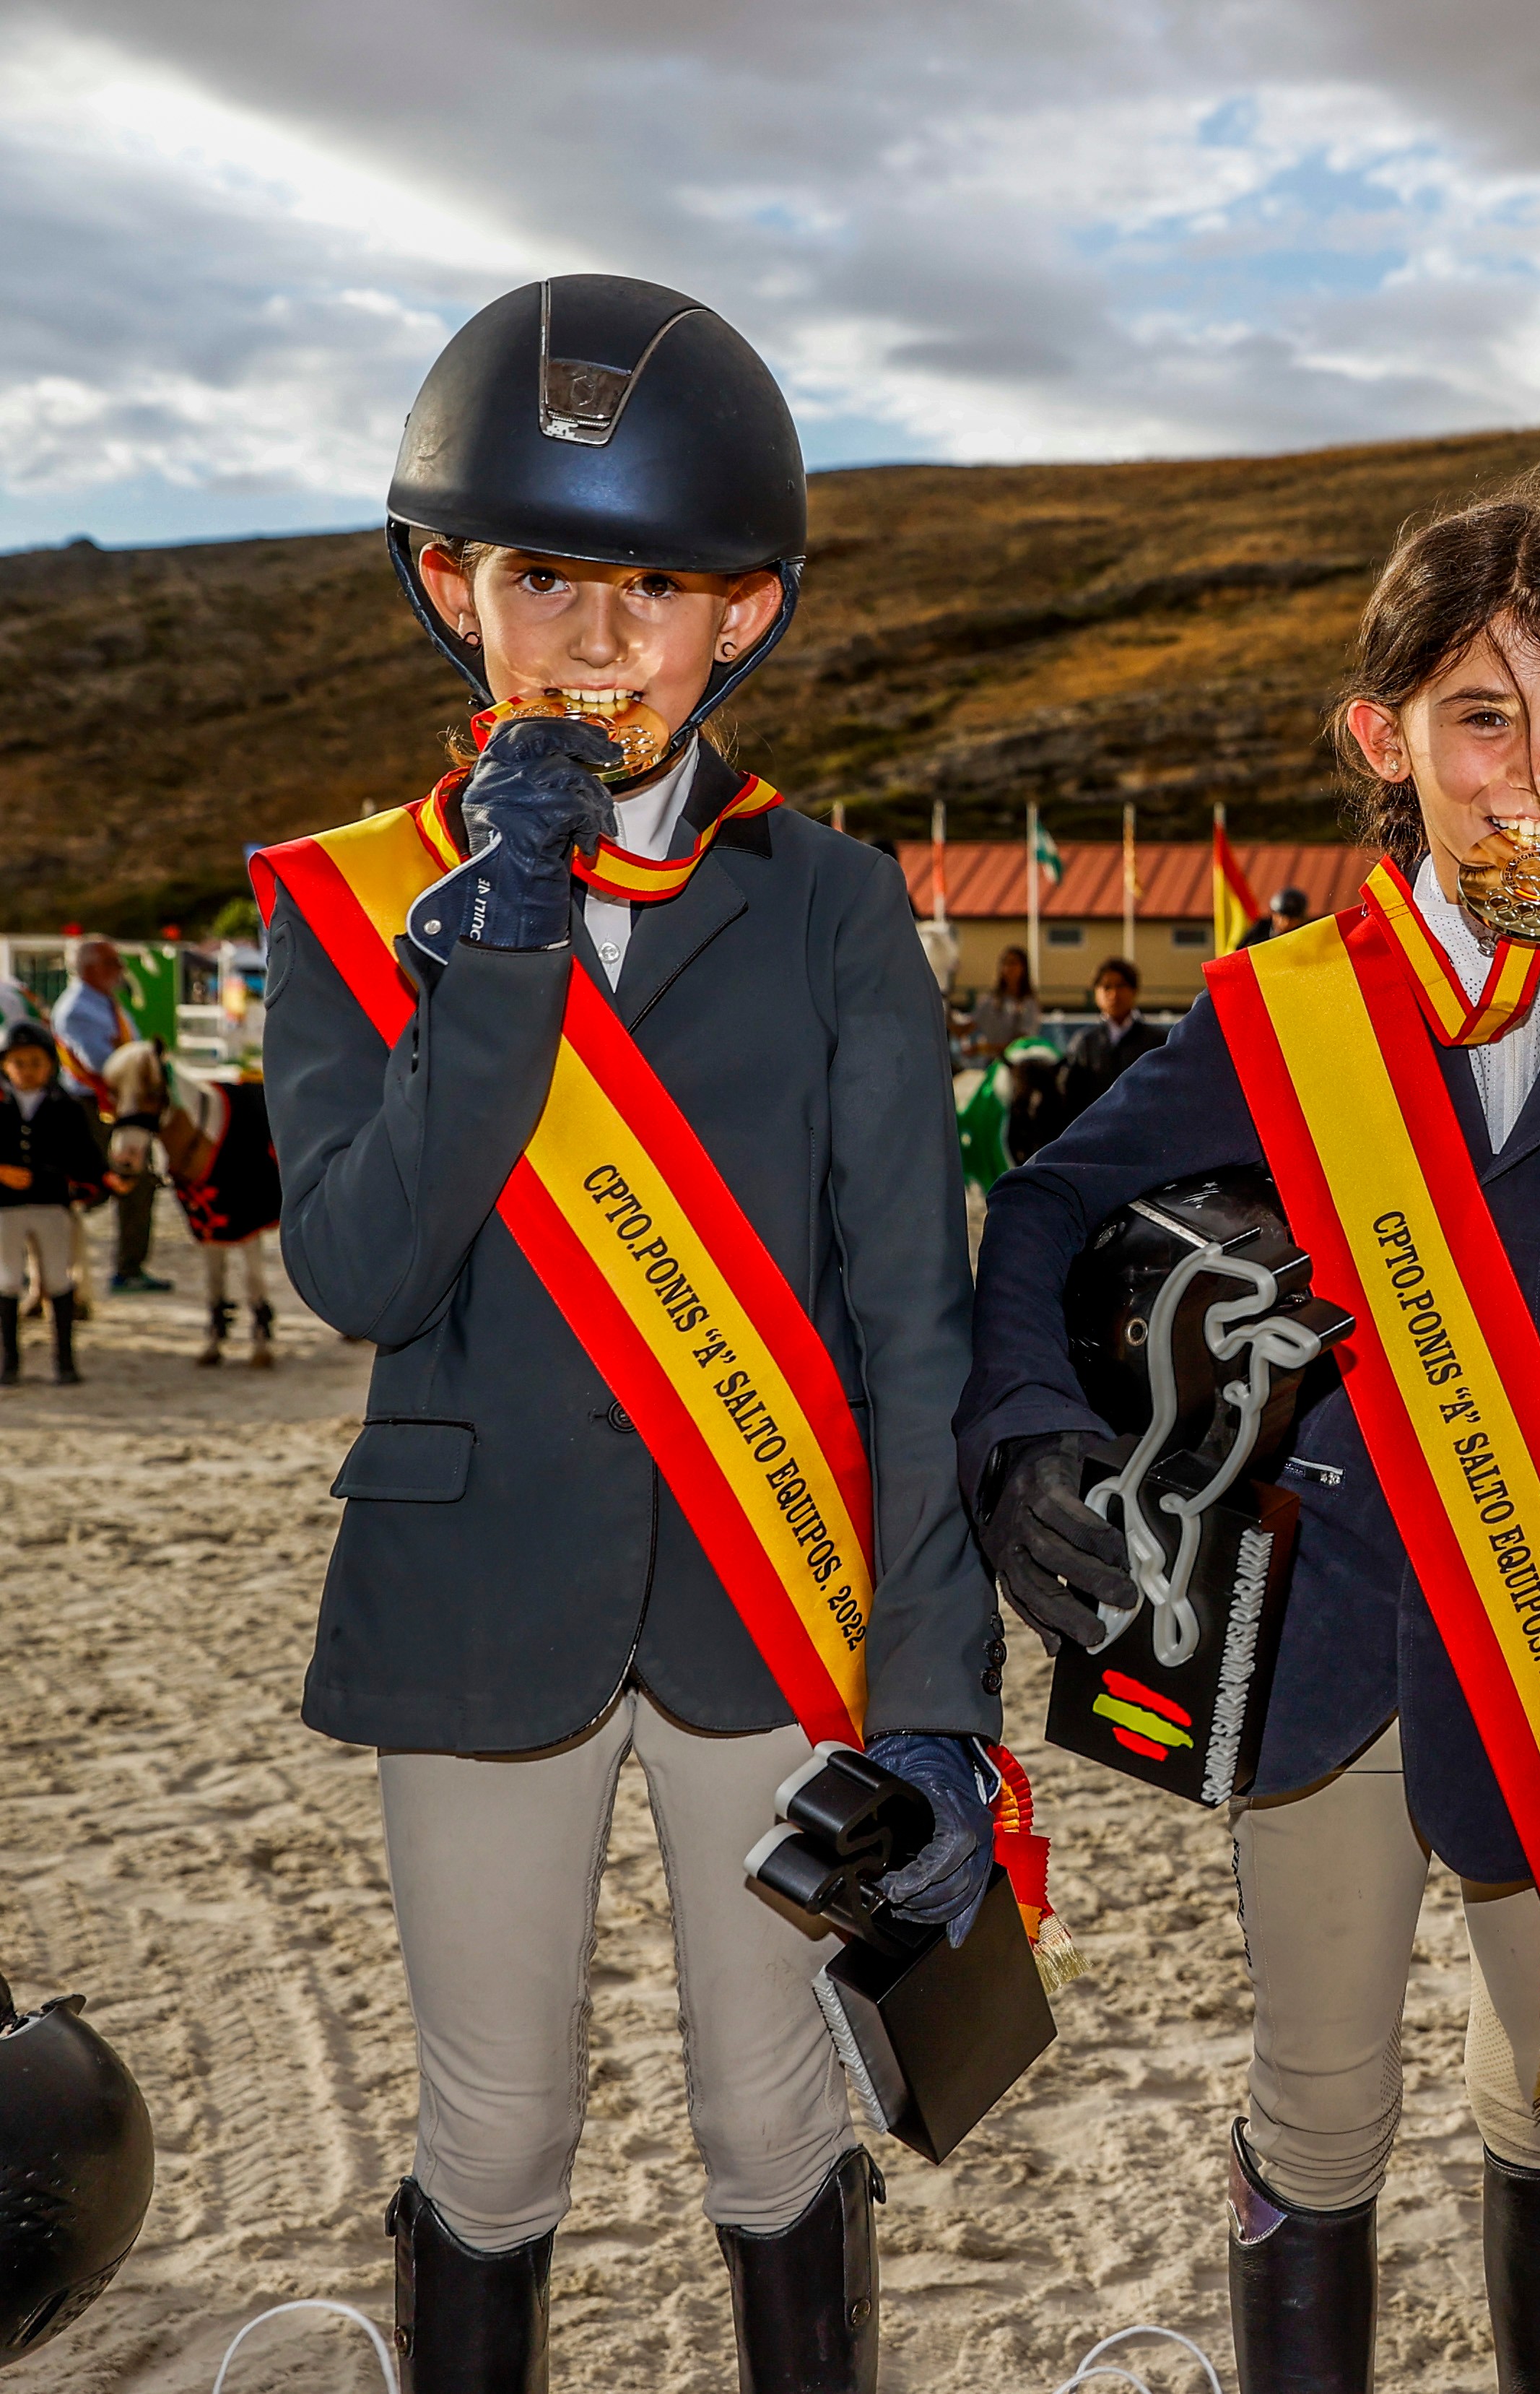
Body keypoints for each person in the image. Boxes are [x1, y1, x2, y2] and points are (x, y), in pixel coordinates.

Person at [960, 477, 1540, 2394]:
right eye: (1479, 715)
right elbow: (1035, 1216)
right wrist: (1027, 1433)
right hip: (1321, 1665)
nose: (1537, 771)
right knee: (1322, 2110)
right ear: (1383, 738)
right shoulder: (1278, 1017)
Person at [256, 274, 1001, 2393]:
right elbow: (366, 1270)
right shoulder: (344, 903)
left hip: (771, 1602)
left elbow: (910, 1318)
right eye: (543, 576)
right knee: (496, 2138)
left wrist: (936, 1692)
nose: (597, 642)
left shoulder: (833, 902)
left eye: (657, 589)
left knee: (775, 2129)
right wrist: (493, 948)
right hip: (474, 1600)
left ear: (745, 613)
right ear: (444, 582)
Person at [53, 940, 165, 1295]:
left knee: (136, 1183)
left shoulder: (105, 1003)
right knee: (99, 1186)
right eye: (113, 962)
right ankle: (63, 1262)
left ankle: (128, 1268)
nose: (121, 969)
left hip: (120, 1106)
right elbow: (106, 1065)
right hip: (91, 1108)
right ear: (92, 968)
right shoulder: (76, 1009)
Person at [0, 1020, 105, 1385]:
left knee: (58, 1278)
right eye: (19, 1063)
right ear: (5, 1066)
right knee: (8, 1279)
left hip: (51, 1204)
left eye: (35, 1062)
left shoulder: (66, 1108)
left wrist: (97, 1181)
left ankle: (64, 1360)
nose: (27, 1071)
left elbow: (85, 1158)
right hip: (6, 1207)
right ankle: (8, 1360)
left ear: (49, 1066)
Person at [1066, 955, 1159, 1093]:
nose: (1114, 994)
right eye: (1106, 987)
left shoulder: (1156, 1041)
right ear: (1096, 993)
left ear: (1134, 990)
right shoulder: (1084, 1042)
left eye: (1121, 986)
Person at [963, 943, 1041, 1064]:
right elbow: (967, 1028)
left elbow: (1021, 1042)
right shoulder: (989, 1001)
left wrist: (984, 1048)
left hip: (1016, 1064)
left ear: (1023, 968)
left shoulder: (1028, 1003)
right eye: (1005, 963)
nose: (1008, 968)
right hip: (991, 1063)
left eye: (1013, 963)